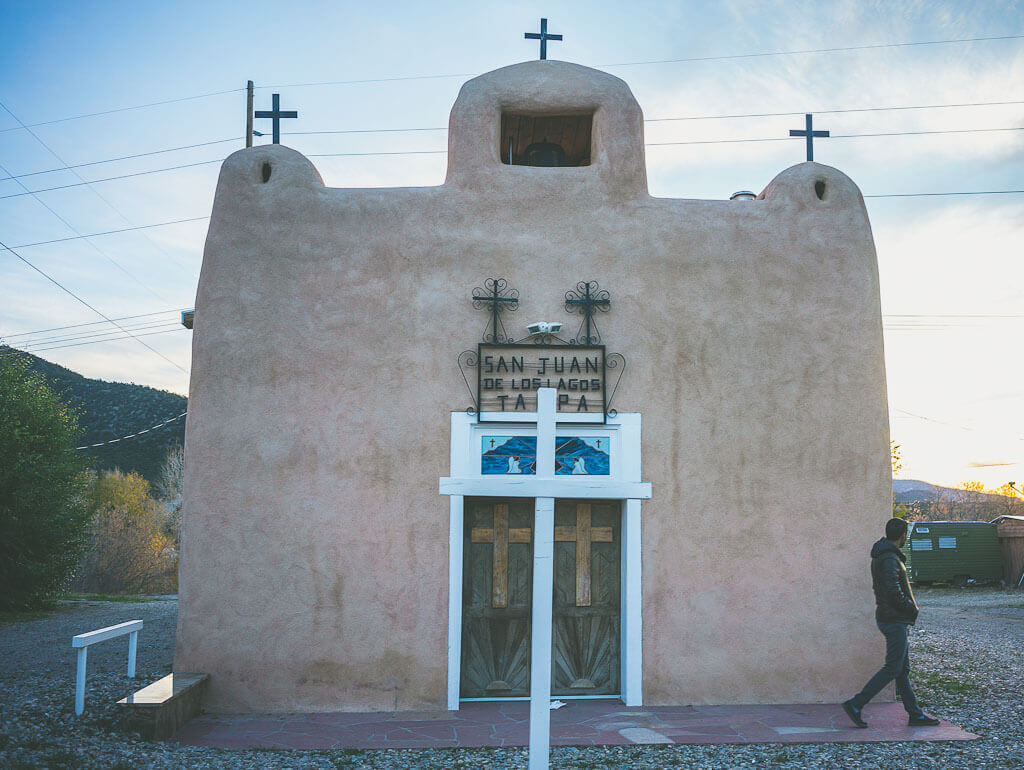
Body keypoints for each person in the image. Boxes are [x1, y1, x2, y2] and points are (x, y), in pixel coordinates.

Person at [842, 518, 940, 728]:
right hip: (893, 619)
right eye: (906, 534)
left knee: (901, 670)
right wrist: (910, 608)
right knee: (892, 668)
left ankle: (915, 714)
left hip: (892, 618)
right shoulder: (889, 558)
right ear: (903, 534)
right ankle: (856, 704)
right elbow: (892, 590)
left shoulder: (887, 555)